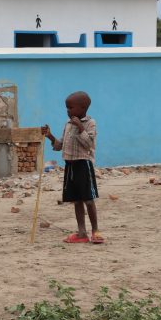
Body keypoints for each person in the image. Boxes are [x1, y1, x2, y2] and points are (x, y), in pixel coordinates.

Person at [42, 91, 103, 244]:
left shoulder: (90, 123)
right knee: (76, 200)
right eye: (66, 108)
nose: (68, 111)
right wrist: (49, 136)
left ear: (82, 108)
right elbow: (59, 146)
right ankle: (81, 233)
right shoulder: (68, 124)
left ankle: (95, 231)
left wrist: (80, 128)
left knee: (88, 199)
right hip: (70, 166)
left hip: (83, 164)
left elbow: (89, 144)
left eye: (70, 108)